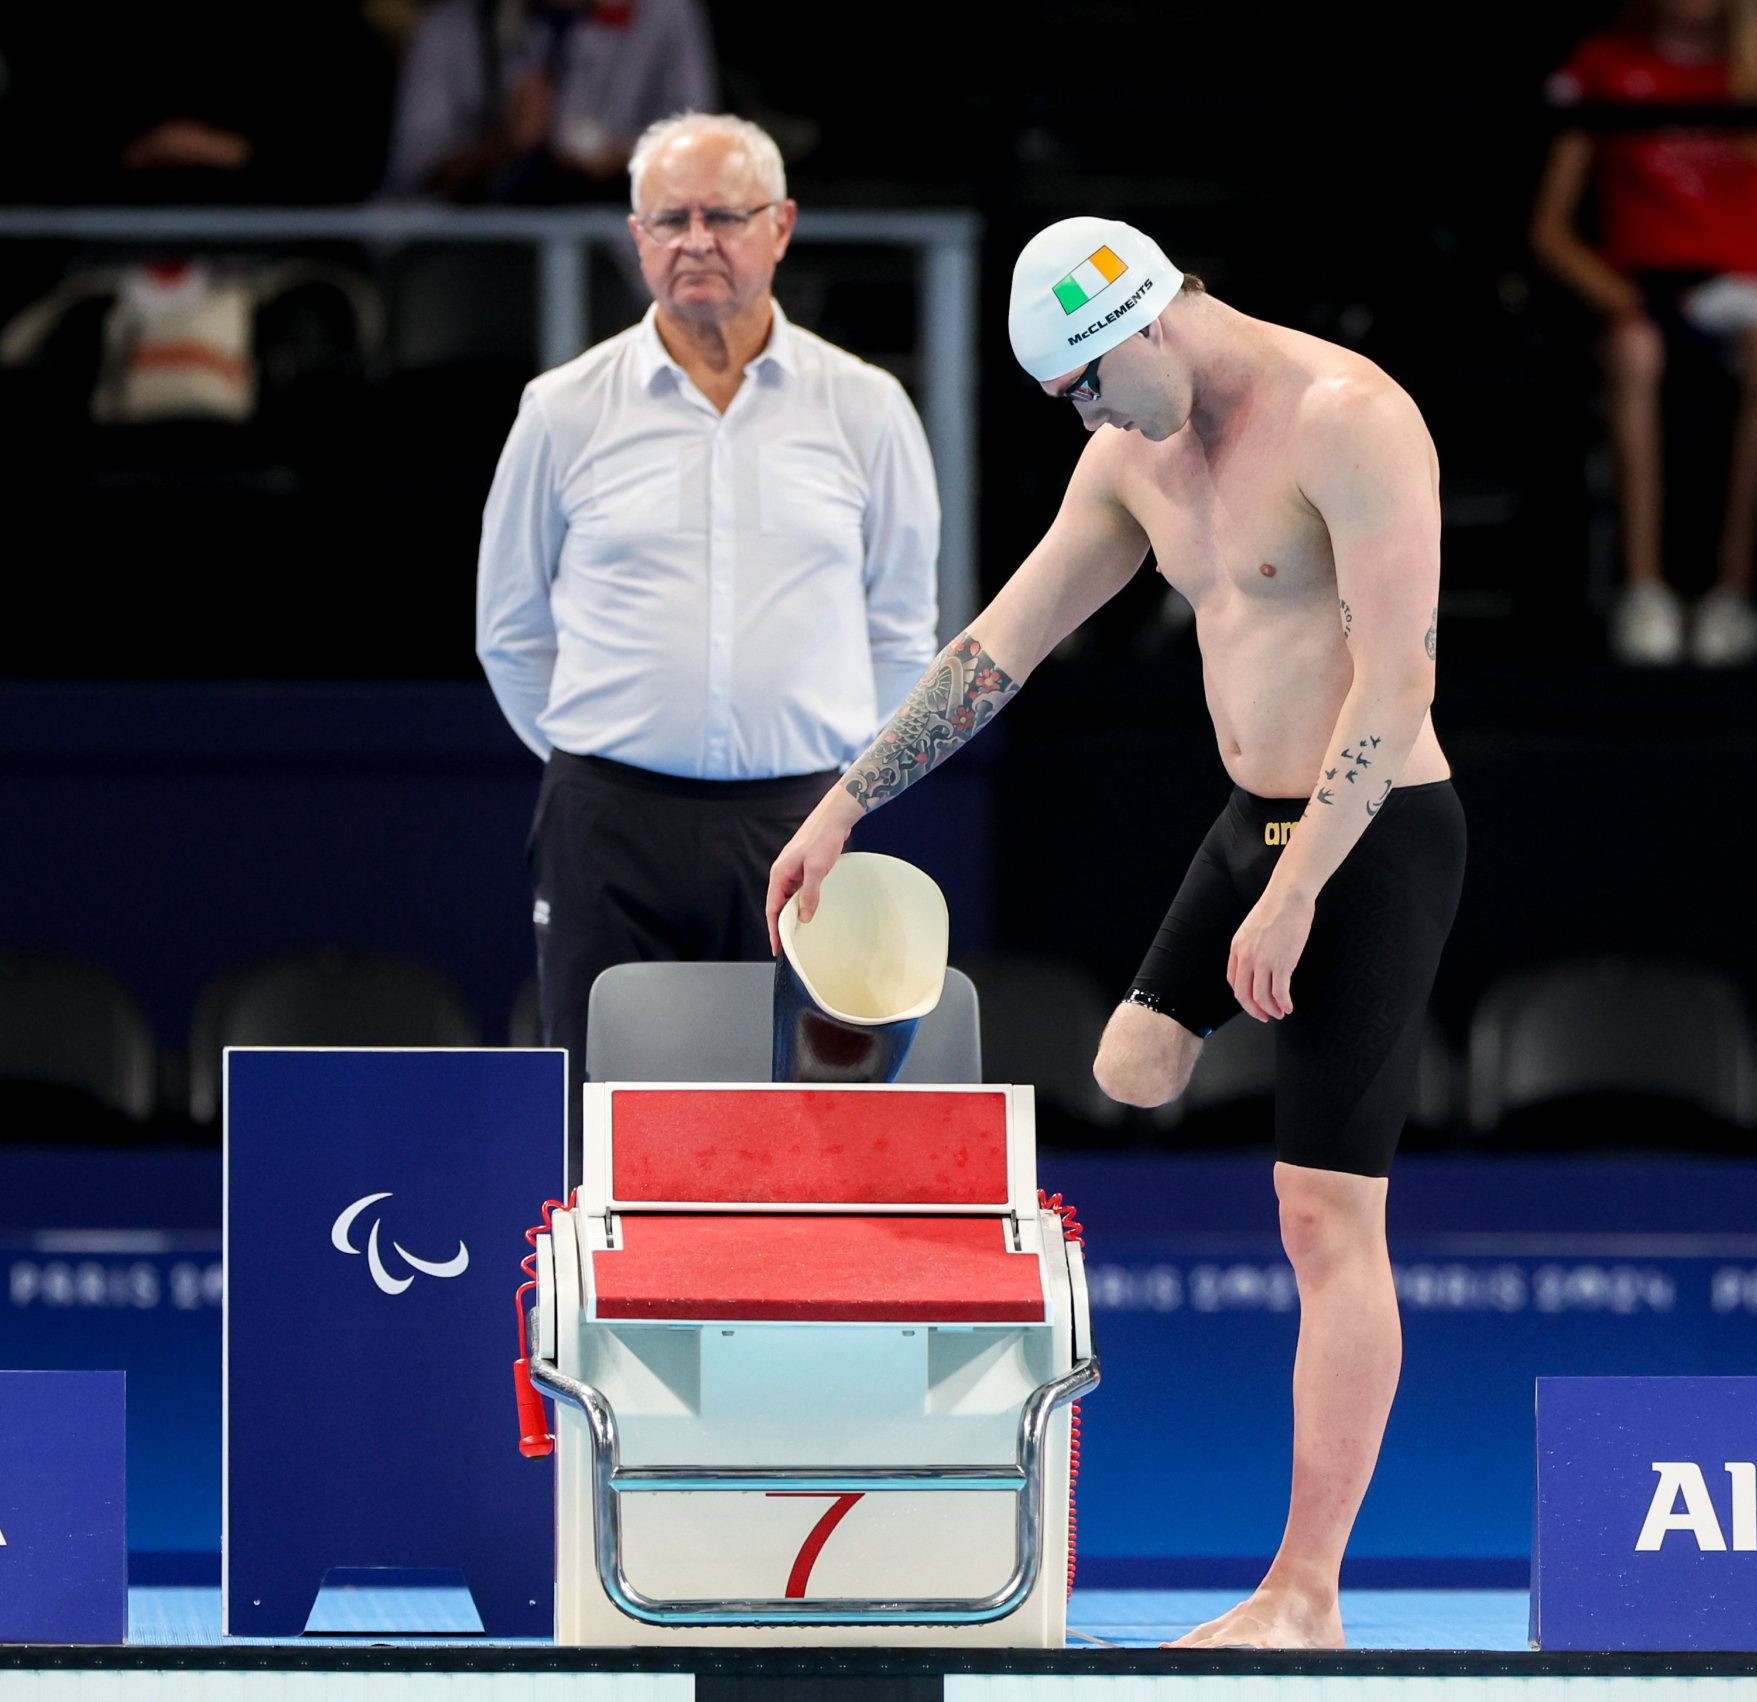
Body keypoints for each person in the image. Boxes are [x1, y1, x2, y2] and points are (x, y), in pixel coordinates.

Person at [765, 216, 1461, 1649]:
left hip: (1374, 835)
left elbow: (1396, 679)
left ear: (1149, 320)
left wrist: (1300, 889)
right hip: (1250, 826)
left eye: (1086, 384)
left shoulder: (1352, 418)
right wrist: (843, 804)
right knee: (1133, 1068)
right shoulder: (1130, 456)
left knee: (1325, 1217)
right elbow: (993, 653)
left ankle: (1305, 1594)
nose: (1084, 416)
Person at [475, 112, 940, 1154]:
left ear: (779, 227)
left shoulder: (867, 409)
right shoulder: (561, 410)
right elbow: (509, 632)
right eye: (669, 218)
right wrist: (596, 756)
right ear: (636, 238)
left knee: (798, 1124)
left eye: (722, 216)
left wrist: (845, 792)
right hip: (607, 819)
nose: (695, 240)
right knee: (602, 1119)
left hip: (797, 822)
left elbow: (904, 630)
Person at [1530, 0, 1757, 667]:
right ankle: (1644, 588)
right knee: (1633, 349)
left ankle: (1734, 590)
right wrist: (1625, 301)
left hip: (1756, 299)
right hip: (1648, 292)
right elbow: (1550, 229)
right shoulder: (1605, 63)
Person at [385, 0, 715, 202]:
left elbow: (699, 155)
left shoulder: (666, 15)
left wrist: (624, 157)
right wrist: (502, 146)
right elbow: (413, 171)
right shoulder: (451, 26)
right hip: (473, 248)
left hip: (620, 248)